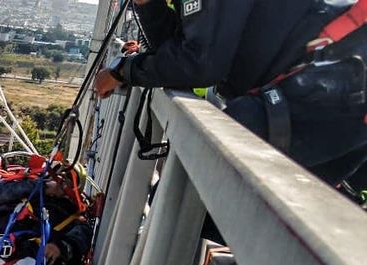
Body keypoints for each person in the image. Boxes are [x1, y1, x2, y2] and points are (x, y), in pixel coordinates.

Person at [94, 0, 367, 198]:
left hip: (329, 84)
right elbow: (183, 46)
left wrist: (123, 71)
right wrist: (148, 5)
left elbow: (199, 64)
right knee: (188, 201)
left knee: (185, 197)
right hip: (329, 84)